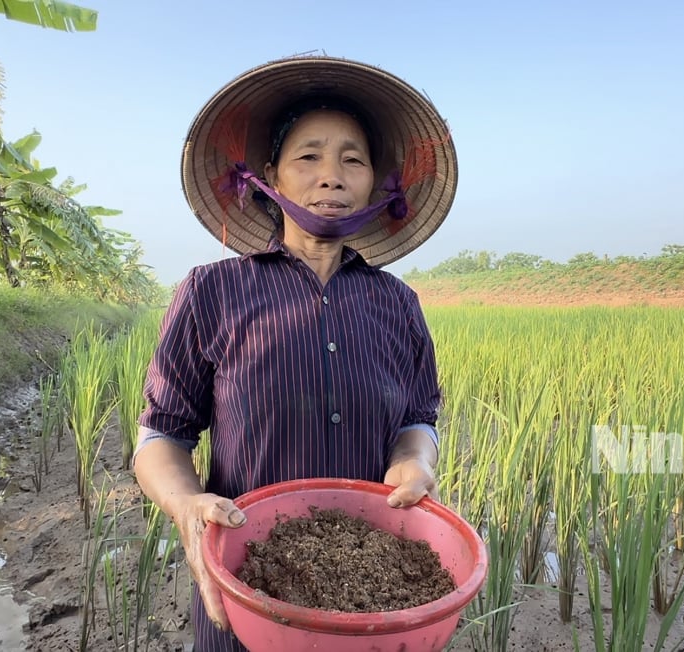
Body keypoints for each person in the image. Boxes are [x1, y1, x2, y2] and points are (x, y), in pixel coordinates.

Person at [132, 56, 458, 652]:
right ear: (270, 177)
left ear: (377, 185)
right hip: (245, 583)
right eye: (308, 157)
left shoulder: (399, 304)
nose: (331, 176)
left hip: (371, 595)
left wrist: (417, 460)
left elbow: (418, 419)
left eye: (352, 160)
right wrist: (185, 505)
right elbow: (161, 437)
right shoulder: (211, 291)